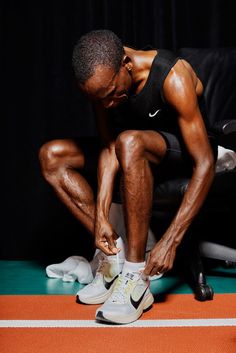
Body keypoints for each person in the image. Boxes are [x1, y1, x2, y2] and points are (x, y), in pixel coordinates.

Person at [39, 29, 217, 324]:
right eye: (99, 99)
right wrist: (101, 217)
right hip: (130, 153)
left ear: (127, 64)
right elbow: (109, 150)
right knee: (52, 156)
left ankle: (136, 277)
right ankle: (113, 260)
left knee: (129, 141)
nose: (107, 104)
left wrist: (170, 241)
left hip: (180, 155)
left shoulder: (173, 77)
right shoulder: (103, 86)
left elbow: (205, 163)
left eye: (110, 95)